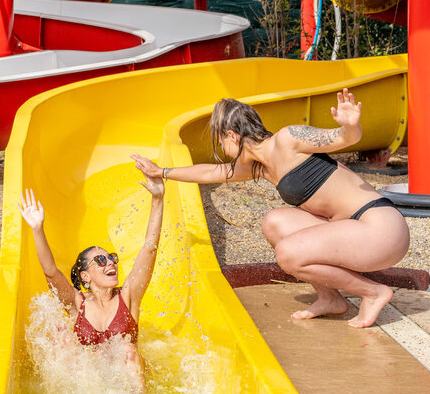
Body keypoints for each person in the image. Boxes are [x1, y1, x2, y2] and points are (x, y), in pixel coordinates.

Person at [133, 89, 408, 329]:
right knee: (275, 222)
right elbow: (212, 172)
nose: (223, 149)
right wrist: (163, 172)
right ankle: (330, 298)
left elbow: (342, 138)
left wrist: (350, 126)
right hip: (355, 231)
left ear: (232, 135)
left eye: (221, 142)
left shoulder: (288, 139)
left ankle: (372, 292)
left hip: (381, 229)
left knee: (289, 255)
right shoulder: (262, 168)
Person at [19, 162, 165, 394]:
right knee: (63, 340)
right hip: (93, 391)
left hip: (129, 390)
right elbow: (50, 271)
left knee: (128, 350)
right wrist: (37, 228)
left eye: (111, 258)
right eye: (101, 260)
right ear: (85, 276)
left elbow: (149, 248)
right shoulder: (78, 304)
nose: (110, 263)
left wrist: (158, 199)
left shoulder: (129, 296)